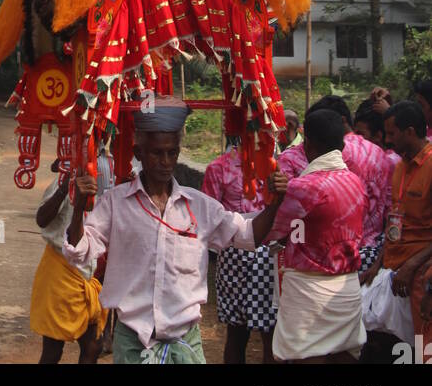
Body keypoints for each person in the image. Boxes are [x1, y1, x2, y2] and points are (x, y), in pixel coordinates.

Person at [63, 97, 287, 365]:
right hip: (133, 342)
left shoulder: (200, 206)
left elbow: (249, 236)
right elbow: (80, 251)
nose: (165, 162)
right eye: (157, 153)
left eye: (172, 153)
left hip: (185, 343)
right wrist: (78, 210)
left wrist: (275, 203)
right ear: (138, 153)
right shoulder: (115, 203)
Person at [265, 110, 366, 364]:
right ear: (341, 144)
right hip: (347, 289)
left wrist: (277, 198)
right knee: (344, 358)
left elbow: (275, 232)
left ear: (306, 144)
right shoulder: (355, 182)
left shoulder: (303, 188)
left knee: (305, 359)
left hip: (308, 293)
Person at [279, 94, 394, 269]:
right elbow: (389, 210)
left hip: (324, 261)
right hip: (372, 255)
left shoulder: (303, 157)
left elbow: (285, 222)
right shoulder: (380, 155)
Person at [361, 100, 432, 351]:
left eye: (392, 133)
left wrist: (412, 265)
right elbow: (395, 220)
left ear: (410, 132)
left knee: (422, 346)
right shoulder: (400, 166)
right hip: (393, 271)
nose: (388, 140)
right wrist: (378, 263)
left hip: (420, 275)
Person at [202, 145, 277, 364]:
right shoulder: (218, 168)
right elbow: (210, 218)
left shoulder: (276, 166)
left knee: (264, 332)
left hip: (263, 253)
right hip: (236, 253)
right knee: (241, 332)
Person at [30, 160, 105, 363]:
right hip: (60, 273)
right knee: (53, 350)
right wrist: (65, 188)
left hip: (87, 273)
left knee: (93, 346)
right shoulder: (66, 181)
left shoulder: (110, 172)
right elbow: (41, 219)